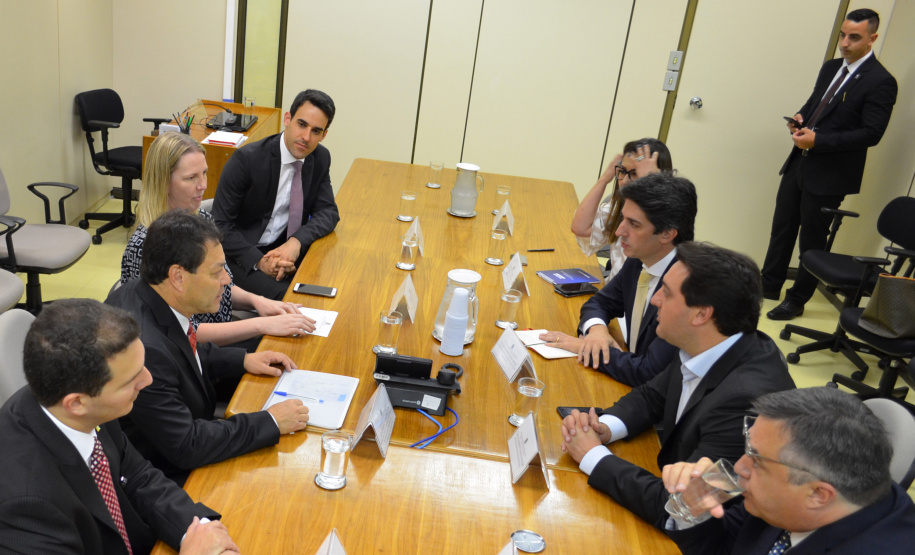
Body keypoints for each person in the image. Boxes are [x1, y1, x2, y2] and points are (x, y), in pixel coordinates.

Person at [559, 241, 796, 527]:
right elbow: (652, 396)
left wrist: (592, 456)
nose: (655, 299)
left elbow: (681, 506)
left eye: (667, 293)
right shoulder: (709, 342)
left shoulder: (745, 401)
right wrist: (605, 427)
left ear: (701, 314)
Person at [0, 298, 240, 554]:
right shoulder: (25, 504)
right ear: (77, 403)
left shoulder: (84, 404)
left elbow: (138, 478)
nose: (147, 380)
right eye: (131, 380)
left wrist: (200, 531)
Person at [106, 211, 310, 485]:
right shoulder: (146, 352)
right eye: (217, 272)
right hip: (168, 474)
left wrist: (243, 360)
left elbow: (186, 348)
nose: (227, 280)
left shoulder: (144, 292)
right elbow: (186, 445)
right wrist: (270, 422)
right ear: (178, 276)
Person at [122, 132, 317, 351]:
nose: (203, 185)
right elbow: (181, 332)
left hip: (219, 338)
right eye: (191, 178)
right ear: (163, 182)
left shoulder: (201, 219)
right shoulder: (145, 247)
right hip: (194, 356)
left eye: (204, 173)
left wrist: (258, 302)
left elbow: (220, 287)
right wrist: (261, 325)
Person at [762, 8, 897, 321]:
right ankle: (768, 286)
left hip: (830, 174)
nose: (845, 43)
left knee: (811, 240)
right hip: (799, 162)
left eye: (854, 37)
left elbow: (871, 134)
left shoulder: (881, 81)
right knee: (781, 228)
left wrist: (819, 141)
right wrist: (799, 119)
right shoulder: (831, 67)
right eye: (843, 35)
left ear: (872, 38)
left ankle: (797, 299)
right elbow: (814, 104)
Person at [662, 387, 915, 554]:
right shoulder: (795, 495)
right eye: (749, 448)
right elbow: (731, 545)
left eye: (757, 460)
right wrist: (694, 508)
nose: (739, 466)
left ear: (818, 494)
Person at [541, 173, 695, 386]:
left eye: (634, 224)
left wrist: (582, 347)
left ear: (667, 234)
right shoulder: (641, 258)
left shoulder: (687, 289)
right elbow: (600, 302)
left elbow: (647, 372)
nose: (620, 230)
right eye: (623, 218)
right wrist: (597, 331)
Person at [213, 89, 340, 300]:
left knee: (329, 283)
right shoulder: (247, 160)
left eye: (316, 131)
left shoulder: (319, 158)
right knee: (293, 299)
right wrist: (260, 261)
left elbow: (328, 211)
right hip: (240, 256)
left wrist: (295, 243)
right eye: (301, 124)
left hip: (284, 252)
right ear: (287, 119)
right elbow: (219, 226)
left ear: (324, 135)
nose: (306, 137)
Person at [571, 138, 673, 282]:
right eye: (622, 171)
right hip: (613, 293)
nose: (624, 181)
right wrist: (605, 179)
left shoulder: (666, 219)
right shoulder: (621, 206)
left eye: (635, 173)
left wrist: (652, 186)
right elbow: (580, 228)